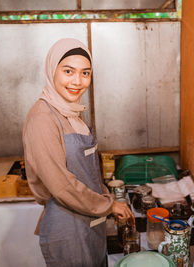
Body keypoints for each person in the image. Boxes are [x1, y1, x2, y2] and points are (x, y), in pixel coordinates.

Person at [22, 38, 134, 267]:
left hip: (89, 219)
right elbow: (61, 185)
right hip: (68, 226)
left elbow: (87, 171)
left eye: (85, 73)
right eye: (68, 71)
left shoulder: (71, 111)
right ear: (52, 70)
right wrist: (109, 205)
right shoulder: (43, 118)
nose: (77, 81)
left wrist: (106, 197)